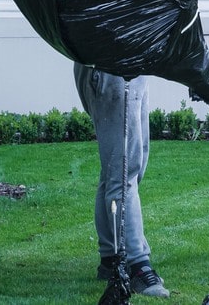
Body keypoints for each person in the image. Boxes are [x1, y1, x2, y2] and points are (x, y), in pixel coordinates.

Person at [74, 62, 170, 299]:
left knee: (116, 171)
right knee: (123, 172)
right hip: (113, 67)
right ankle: (137, 265)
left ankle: (111, 258)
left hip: (126, 66)